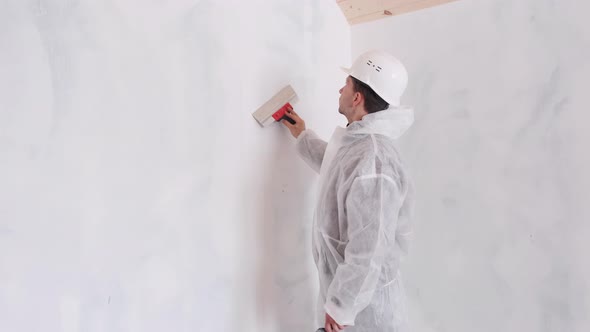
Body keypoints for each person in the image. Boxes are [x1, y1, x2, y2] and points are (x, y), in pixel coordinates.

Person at [282, 50, 416, 332]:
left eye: (347, 84)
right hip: (350, 306)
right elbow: (337, 167)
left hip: (366, 314)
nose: (340, 89)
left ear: (357, 98)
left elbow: (370, 247)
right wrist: (303, 135)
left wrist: (342, 307)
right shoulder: (361, 148)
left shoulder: (375, 159)